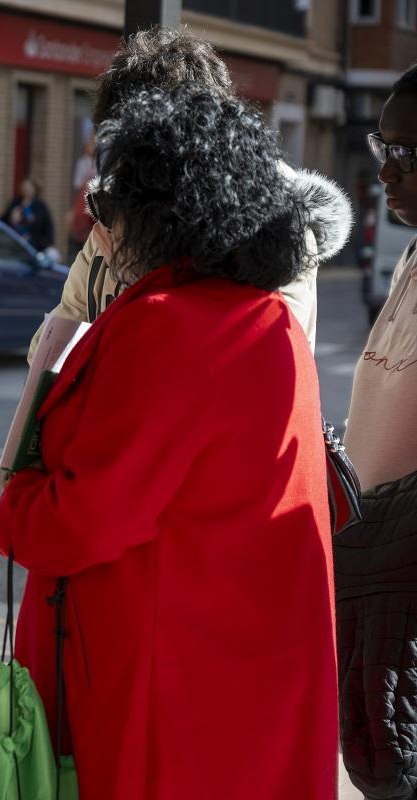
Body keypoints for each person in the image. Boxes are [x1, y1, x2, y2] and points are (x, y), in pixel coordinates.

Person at [0, 84, 338, 799]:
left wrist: (17, 502)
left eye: (109, 205)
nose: (97, 225)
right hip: (243, 676)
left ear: (162, 212)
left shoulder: (165, 324)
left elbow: (83, 520)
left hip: (158, 681)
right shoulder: (268, 319)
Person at [29, 27, 350, 357]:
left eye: (146, 152)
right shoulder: (117, 210)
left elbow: (261, 362)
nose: (130, 171)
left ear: (203, 133)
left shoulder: (275, 225)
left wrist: (140, 280)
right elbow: (50, 348)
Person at [338, 62, 417, 799]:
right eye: (381, 145)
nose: (386, 170)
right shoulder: (410, 259)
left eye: (408, 153)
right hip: (371, 582)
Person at [0, 177, 54, 252]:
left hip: (33, 246)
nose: (27, 191)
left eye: (29, 188)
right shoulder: (16, 203)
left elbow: (47, 226)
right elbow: (4, 219)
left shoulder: (40, 206)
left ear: (35, 189)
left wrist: (45, 244)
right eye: (25, 188)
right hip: (15, 243)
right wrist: (11, 219)